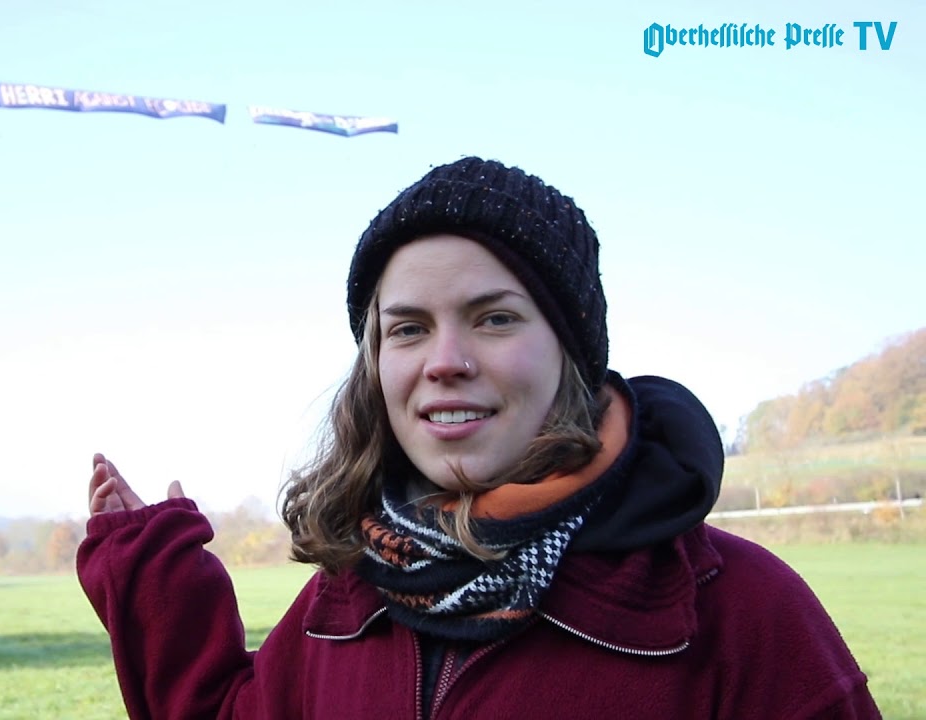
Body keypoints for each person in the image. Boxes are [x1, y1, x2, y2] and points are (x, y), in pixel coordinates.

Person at [76, 157, 880, 719]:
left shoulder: (735, 611)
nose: (447, 362)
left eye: (494, 318)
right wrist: (155, 580)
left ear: (570, 352)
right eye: (409, 329)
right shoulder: (345, 598)